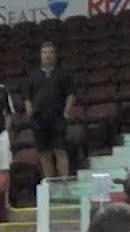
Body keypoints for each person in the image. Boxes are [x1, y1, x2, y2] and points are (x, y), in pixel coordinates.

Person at [25, 42, 76, 180]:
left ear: (55, 55)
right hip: (39, 120)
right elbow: (28, 98)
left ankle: (64, 183)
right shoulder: (33, 76)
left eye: (50, 52)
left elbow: (71, 95)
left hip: (58, 119)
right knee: (44, 153)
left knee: (60, 151)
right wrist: (30, 114)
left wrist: (66, 112)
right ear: (41, 56)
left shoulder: (63, 74)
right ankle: (50, 184)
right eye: (44, 53)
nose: (47, 55)